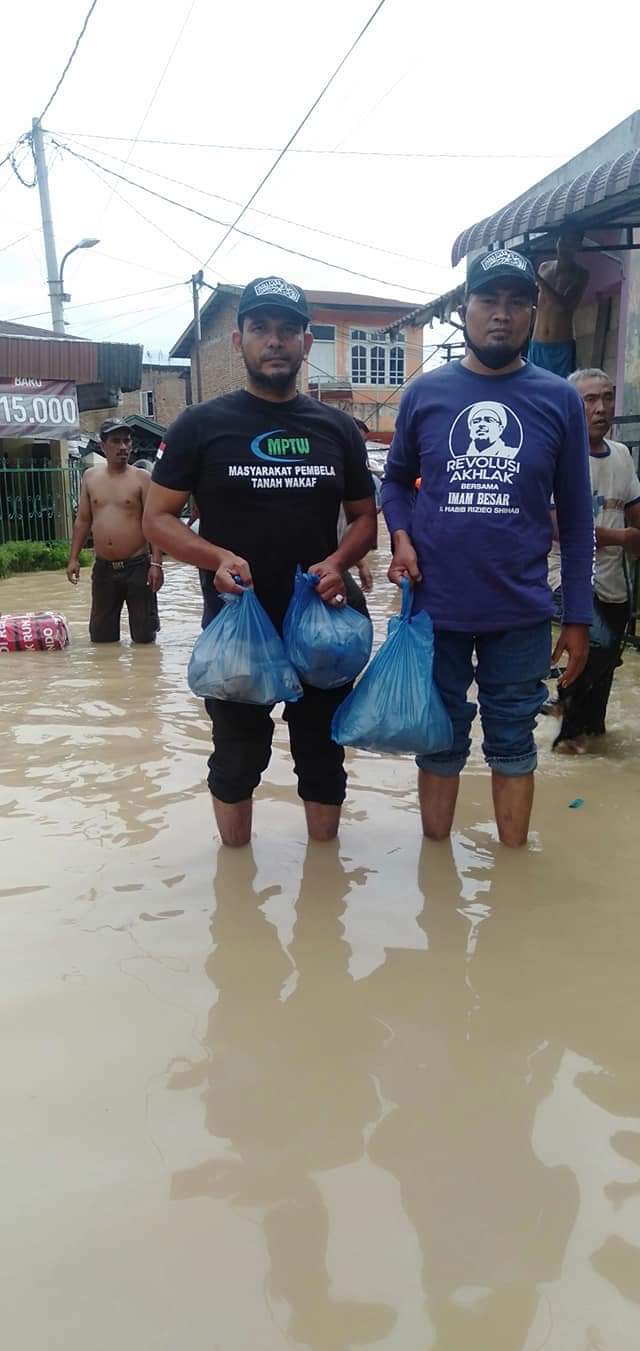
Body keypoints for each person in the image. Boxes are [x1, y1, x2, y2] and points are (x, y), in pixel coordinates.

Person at [143, 276, 376, 848]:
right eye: (260, 329)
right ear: (238, 342)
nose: (275, 341)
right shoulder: (199, 425)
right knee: (236, 758)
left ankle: (324, 884)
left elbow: (367, 520)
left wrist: (340, 559)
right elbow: (158, 519)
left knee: (323, 755)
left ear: (305, 344)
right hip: (237, 623)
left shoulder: (338, 428)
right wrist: (215, 555)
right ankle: (236, 879)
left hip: (321, 622)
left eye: (288, 330)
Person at [382, 247, 594, 848]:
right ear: (466, 311)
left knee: (513, 738)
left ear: (531, 314)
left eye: (516, 303)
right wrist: (399, 534)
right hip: (433, 607)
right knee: (439, 737)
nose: (501, 315)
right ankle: (435, 883)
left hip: (521, 610)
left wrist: (576, 616)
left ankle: (512, 874)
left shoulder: (559, 400)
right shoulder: (426, 394)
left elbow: (576, 522)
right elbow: (394, 481)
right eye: (487, 301)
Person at [551, 368, 640, 751]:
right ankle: (565, 717)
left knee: (606, 667)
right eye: (590, 400)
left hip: (614, 579)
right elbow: (558, 528)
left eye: (607, 398)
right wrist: (622, 536)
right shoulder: (556, 455)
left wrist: (631, 537)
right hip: (565, 576)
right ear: (570, 407)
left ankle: (586, 736)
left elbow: (634, 510)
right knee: (599, 645)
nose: (601, 408)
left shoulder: (620, 455)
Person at [67, 418, 164, 643]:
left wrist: (156, 564)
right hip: (103, 569)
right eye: (116, 441)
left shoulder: (142, 478)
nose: (123, 447)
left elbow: (154, 522)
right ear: (103, 446)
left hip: (138, 567)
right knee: (101, 640)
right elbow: (82, 520)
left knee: (144, 639)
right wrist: (73, 558)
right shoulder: (90, 477)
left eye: (127, 441)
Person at [529, 228, 588, 379]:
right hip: (537, 344)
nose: (564, 247)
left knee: (560, 389)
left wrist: (539, 280)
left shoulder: (580, 274)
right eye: (563, 241)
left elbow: (563, 305)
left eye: (570, 243)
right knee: (533, 387)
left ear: (578, 246)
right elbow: (534, 300)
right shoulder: (544, 267)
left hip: (560, 346)